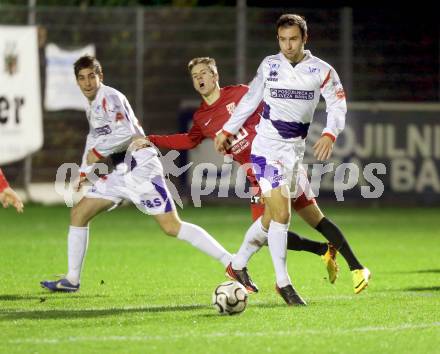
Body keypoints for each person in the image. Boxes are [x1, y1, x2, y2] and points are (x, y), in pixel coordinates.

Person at [146, 54, 369, 297]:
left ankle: (354, 266)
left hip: (281, 160)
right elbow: (189, 140)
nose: (199, 79)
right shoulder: (201, 117)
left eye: (204, 73)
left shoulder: (241, 93)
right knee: (271, 228)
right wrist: (153, 140)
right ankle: (315, 259)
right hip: (258, 175)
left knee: (311, 219)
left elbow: (272, 106)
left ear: (215, 75)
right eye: (195, 76)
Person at [40, 55, 232, 292]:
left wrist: (97, 154)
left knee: (172, 227)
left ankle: (230, 261)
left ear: (101, 77)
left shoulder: (110, 97)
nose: (87, 82)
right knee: (79, 213)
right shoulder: (92, 108)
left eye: (92, 76)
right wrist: (83, 171)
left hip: (141, 167)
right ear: (77, 82)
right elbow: (94, 138)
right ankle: (71, 280)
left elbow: (125, 131)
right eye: (82, 78)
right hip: (122, 171)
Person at [215, 14, 371, 305]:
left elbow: (337, 105)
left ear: (304, 39)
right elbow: (250, 99)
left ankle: (237, 265)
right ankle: (283, 283)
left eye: (293, 39)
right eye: (282, 39)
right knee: (282, 215)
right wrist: (228, 129)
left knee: (276, 217)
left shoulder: (322, 70)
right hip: (265, 150)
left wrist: (329, 133)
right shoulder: (270, 65)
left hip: (294, 155)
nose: (287, 45)